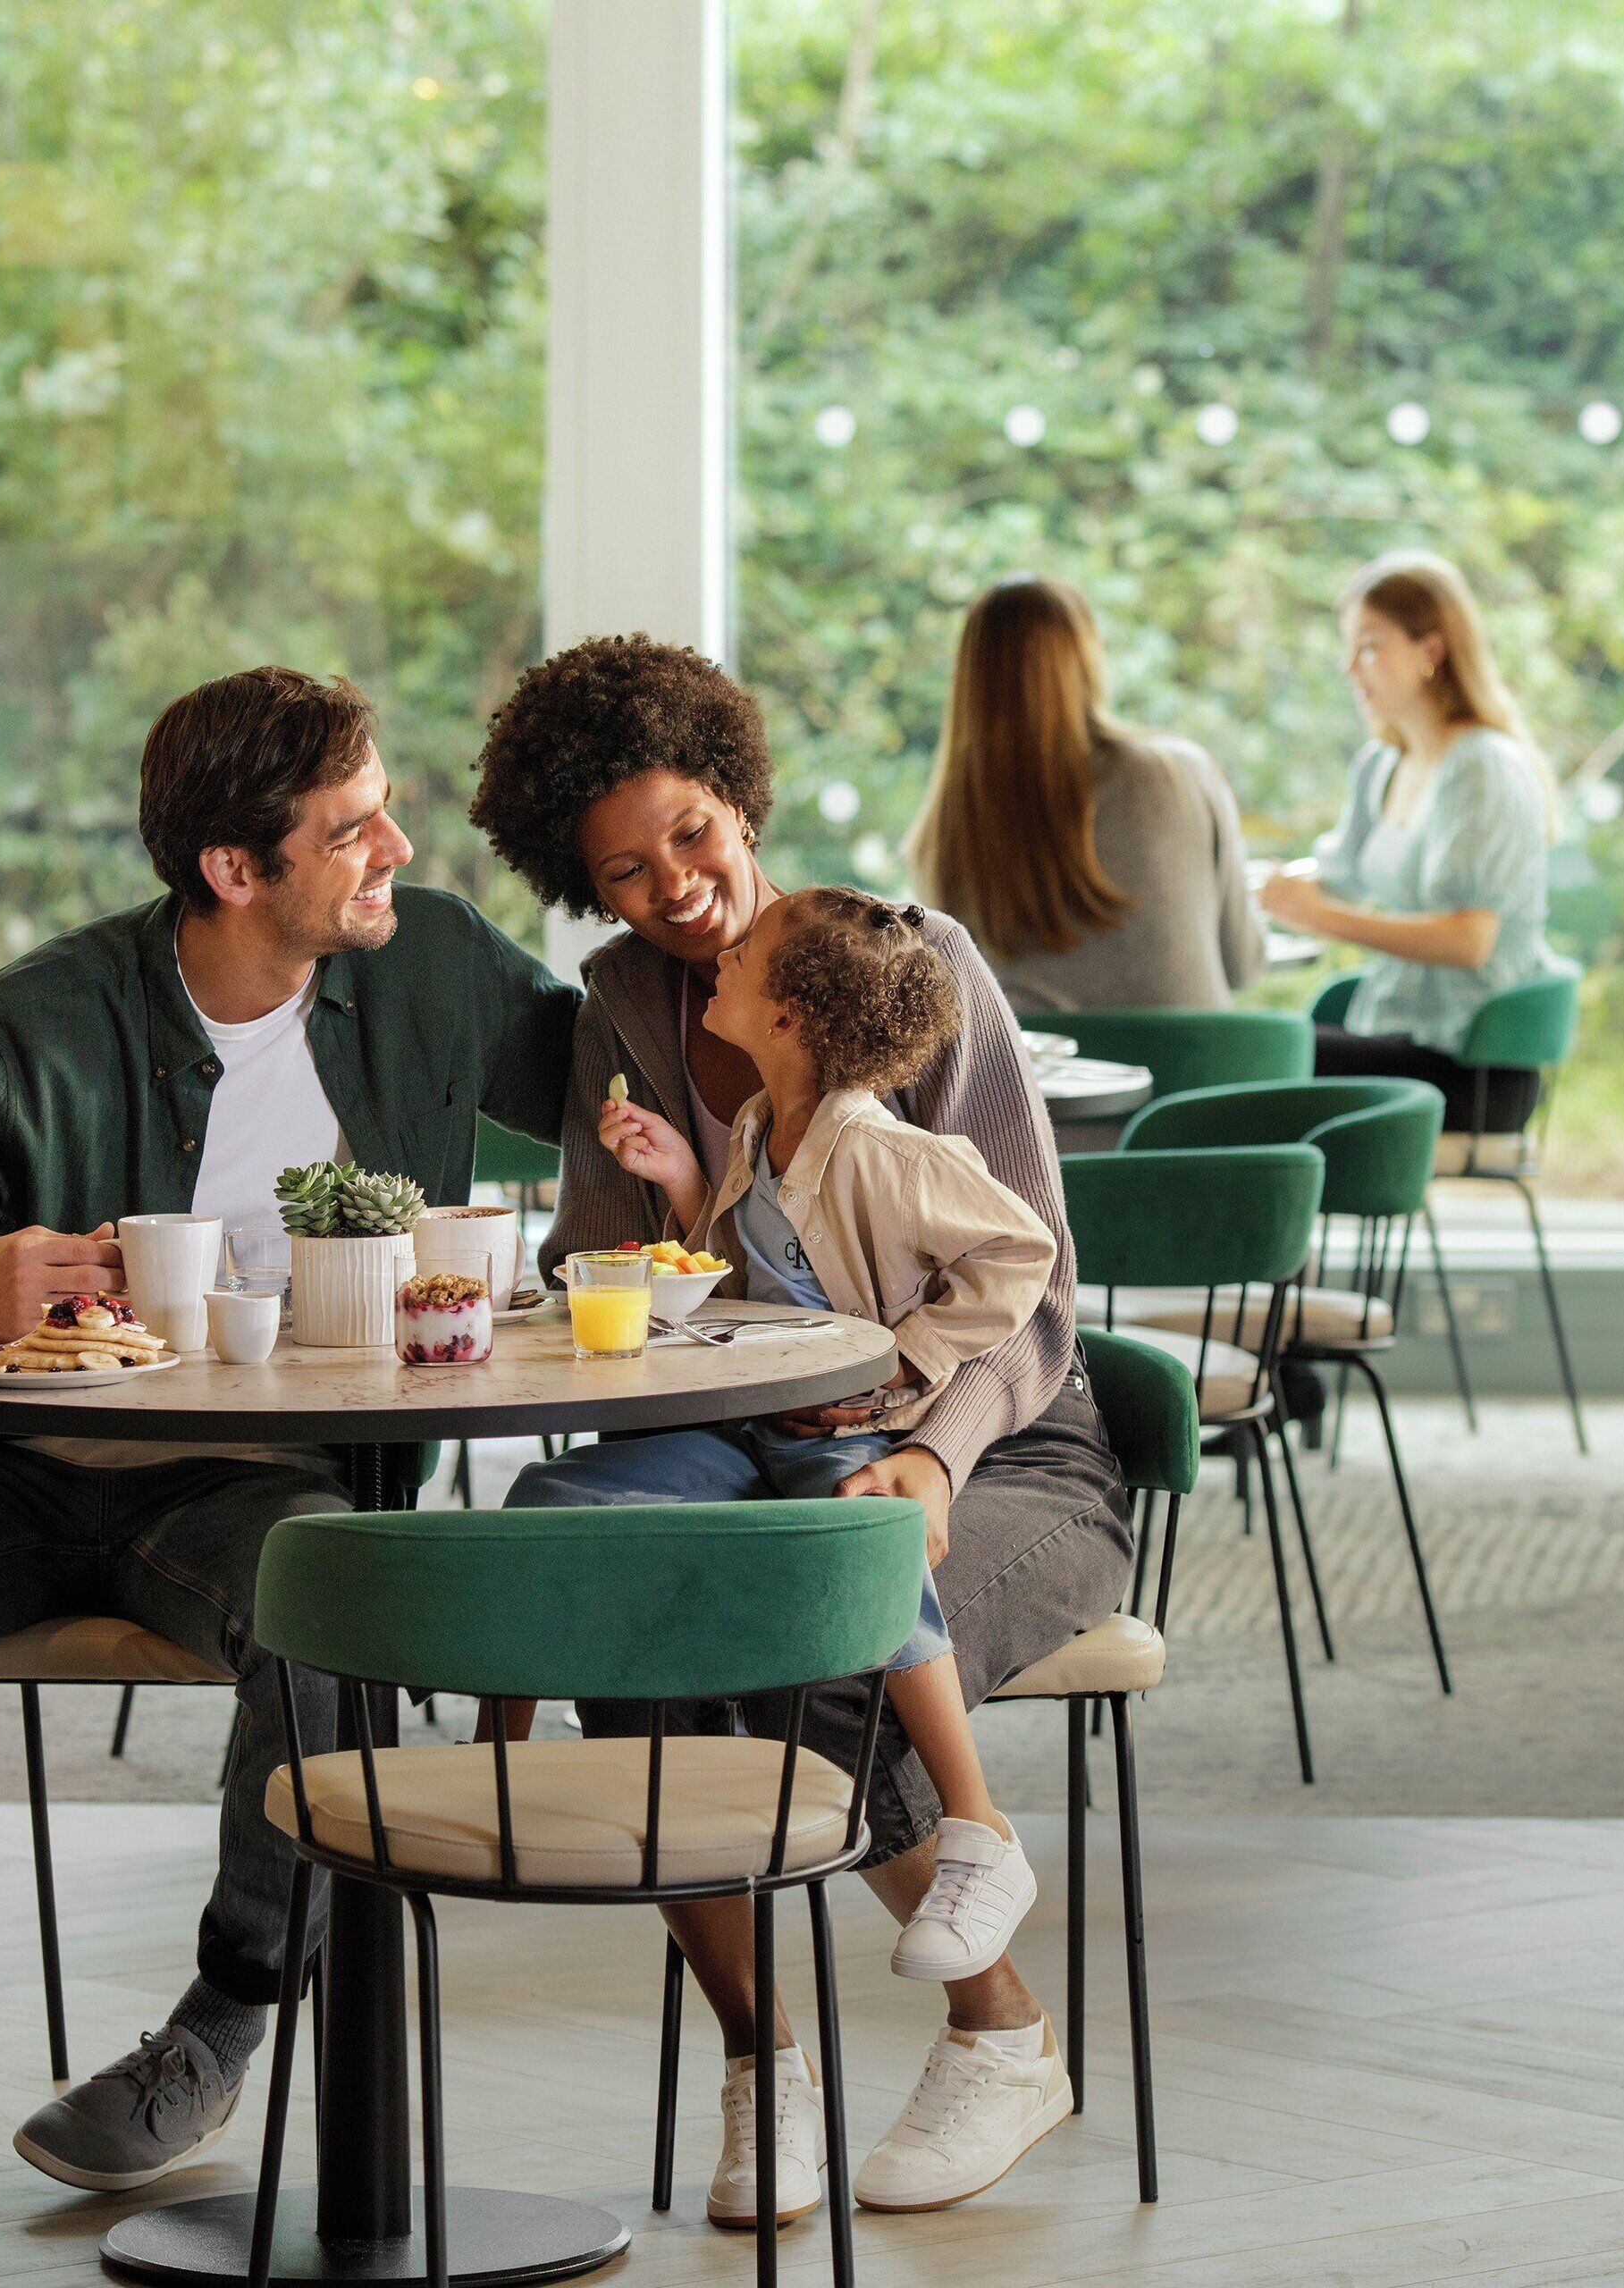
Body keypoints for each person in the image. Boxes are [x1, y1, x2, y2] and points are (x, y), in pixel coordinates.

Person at [0, 666, 577, 2275]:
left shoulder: (428, 974)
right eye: (354, 828)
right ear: (237, 869)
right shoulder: (41, 1021)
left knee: (322, 1607)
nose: (398, 850)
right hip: (4, 1485)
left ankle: (214, 2032)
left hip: (243, 1492)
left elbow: (618, 1071)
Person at [467, 635, 1131, 2225]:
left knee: (822, 1629)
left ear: (738, 792)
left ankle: (1004, 2033)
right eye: (626, 871)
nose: (678, 888)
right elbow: (615, 1263)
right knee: (626, 1596)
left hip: (1004, 1435)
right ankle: (769, 2060)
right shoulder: (626, 1002)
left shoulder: (906, 960)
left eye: (692, 833)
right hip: (751, 1422)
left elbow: (1033, 1288)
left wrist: (929, 1451)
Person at [512, 886, 1057, 2032]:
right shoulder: (767, 1121)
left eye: (745, 956)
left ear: (794, 1016)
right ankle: (491, 1768)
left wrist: (906, 1361)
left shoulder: (877, 1143)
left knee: (865, 1545)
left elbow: (1022, 1248)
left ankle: (977, 1826)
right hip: (749, 1422)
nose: (721, 958)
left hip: (842, 1426)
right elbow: (753, 1260)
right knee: (554, 1500)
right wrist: (677, 1183)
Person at [1257, 550, 1557, 1130]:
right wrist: (1244, 884)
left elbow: (1471, 940)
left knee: (1261, 1053)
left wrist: (1322, 918)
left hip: (1471, 1064)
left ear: (1432, 652)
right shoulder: (1384, 762)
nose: (1350, 667)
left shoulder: (1483, 768)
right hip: (1393, 1036)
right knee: (1256, 1047)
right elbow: (1335, 875)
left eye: (1369, 646)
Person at [906, 575, 1263, 1014]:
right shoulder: (1177, 772)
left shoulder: (944, 830)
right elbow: (1244, 963)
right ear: (1086, 658)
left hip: (1037, 1081)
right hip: (1203, 1074)